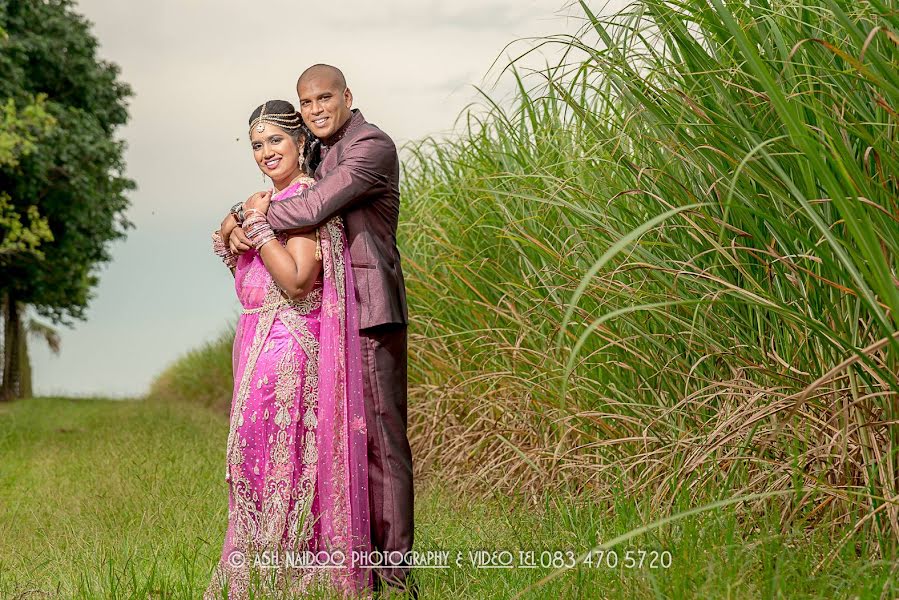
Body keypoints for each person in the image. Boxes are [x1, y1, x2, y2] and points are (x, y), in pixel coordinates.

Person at [229, 65, 415, 596]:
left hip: (368, 312)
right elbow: (282, 186)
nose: (315, 109)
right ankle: (348, 564)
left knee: (380, 445)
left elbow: (307, 205)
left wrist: (250, 220)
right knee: (341, 442)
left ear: (347, 96)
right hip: (328, 318)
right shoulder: (319, 151)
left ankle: (395, 576)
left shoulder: (370, 147)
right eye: (306, 102)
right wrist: (237, 218)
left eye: (324, 98)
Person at [206, 99, 372, 599]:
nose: (265, 152)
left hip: (288, 349)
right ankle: (260, 574)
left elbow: (298, 281)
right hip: (257, 342)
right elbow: (246, 261)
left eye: (275, 140)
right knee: (248, 460)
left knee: (282, 462)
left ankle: (292, 578)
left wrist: (256, 227)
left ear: (302, 144)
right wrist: (239, 220)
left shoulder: (302, 200)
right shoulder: (269, 200)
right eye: (257, 144)